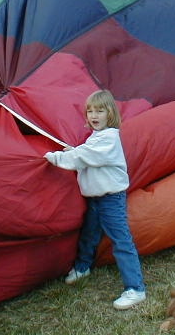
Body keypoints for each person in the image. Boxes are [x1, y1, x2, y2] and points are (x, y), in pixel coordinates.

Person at [44, 89, 146, 310]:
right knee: (89, 235)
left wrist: (59, 157)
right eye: (90, 111)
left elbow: (88, 156)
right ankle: (83, 267)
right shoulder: (96, 137)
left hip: (111, 200)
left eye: (100, 110)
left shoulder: (109, 137)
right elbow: (87, 152)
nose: (94, 115)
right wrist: (74, 150)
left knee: (121, 241)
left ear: (110, 113)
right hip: (95, 200)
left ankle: (136, 289)